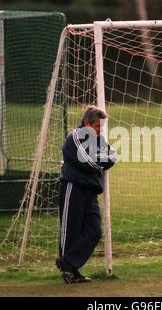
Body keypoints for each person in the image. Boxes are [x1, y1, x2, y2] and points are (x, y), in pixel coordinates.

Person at [56, 105, 116, 284]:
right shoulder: (74, 136)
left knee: (94, 231)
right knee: (71, 230)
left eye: (101, 127)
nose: (100, 130)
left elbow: (112, 157)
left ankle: (67, 263)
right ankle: (71, 271)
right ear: (86, 123)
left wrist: (100, 159)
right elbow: (89, 162)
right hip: (73, 188)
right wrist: (100, 160)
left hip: (90, 191)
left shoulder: (98, 140)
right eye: (97, 126)